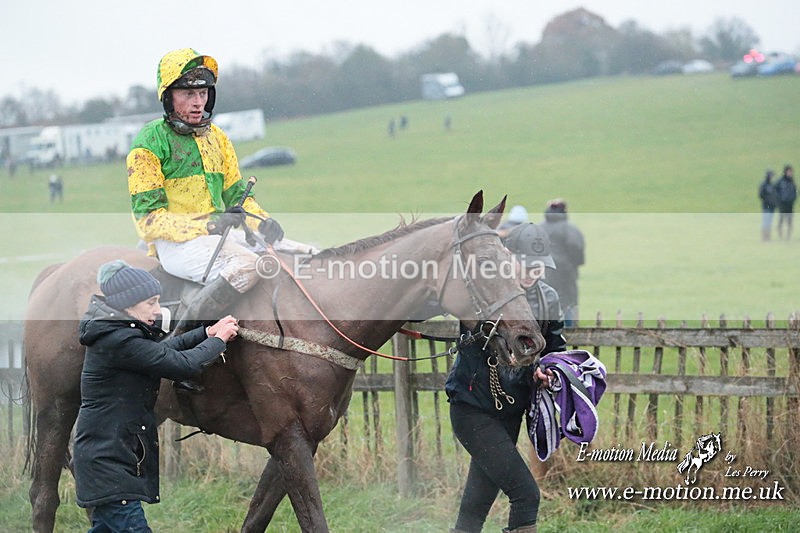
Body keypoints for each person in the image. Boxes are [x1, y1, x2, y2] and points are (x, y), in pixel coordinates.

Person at [126, 48, 292, 332]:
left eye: (203, 93)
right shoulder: (149, 142)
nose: (197, 102)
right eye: (188, 94)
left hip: (219, 235)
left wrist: (263, 222)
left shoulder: (218, 138)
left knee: (295, 254)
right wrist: (210, 223)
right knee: (248, 266)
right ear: (168, 97)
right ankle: (178, 345)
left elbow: (238, 196)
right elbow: (149, 220)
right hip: (174, 245)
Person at [73, 260, 239, 532]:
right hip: (109, 462)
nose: (156, 310)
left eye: (157, 301)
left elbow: (163, 352)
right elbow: (181, 365)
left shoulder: (118, 334)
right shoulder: (120, 340)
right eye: (150, 302)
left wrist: (205, 333)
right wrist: (218, 341)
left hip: (109, 458)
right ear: (129, 305)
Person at [446, 223, 566, 533]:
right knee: (526, 496)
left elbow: (555, 350)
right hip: (473, 408)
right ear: (507, 256)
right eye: (526, 264)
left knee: (474, 509)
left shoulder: (548, 298)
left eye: (539, 266)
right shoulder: (481, 290)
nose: (532, 272)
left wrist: (546, 369)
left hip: (511, 412)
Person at [540, 199, 585, 326]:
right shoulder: (569, 229)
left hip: (542, 272)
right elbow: (576, 246)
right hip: (565, 273)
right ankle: (568, 335)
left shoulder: (539, 228)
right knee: (566, 303)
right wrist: (575, 261)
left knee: (543, 302)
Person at [775, 164, 796, 240]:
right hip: (782, 205)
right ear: (785, 172)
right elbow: (775, 191)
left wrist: (793, 198)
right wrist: (779, 200)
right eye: (789, 171)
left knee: (790, 221)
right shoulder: (780, 181)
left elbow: (795, 191)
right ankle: (780, 236)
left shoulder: (792, 182)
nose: (790, 173)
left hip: (790, 205)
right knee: (781, 220)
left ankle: (788, 237)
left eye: (791, 172)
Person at [758, 169, 778, 241]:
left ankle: (768, 237)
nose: (772, 177)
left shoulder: (772, 185)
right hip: (766, 206)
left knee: (769, 222)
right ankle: (764, 238)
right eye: (771, 175)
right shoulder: (763, 185)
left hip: (772, 207)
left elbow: (775, 195)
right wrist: (768, 200)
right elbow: (761, 195)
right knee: (766, 222)